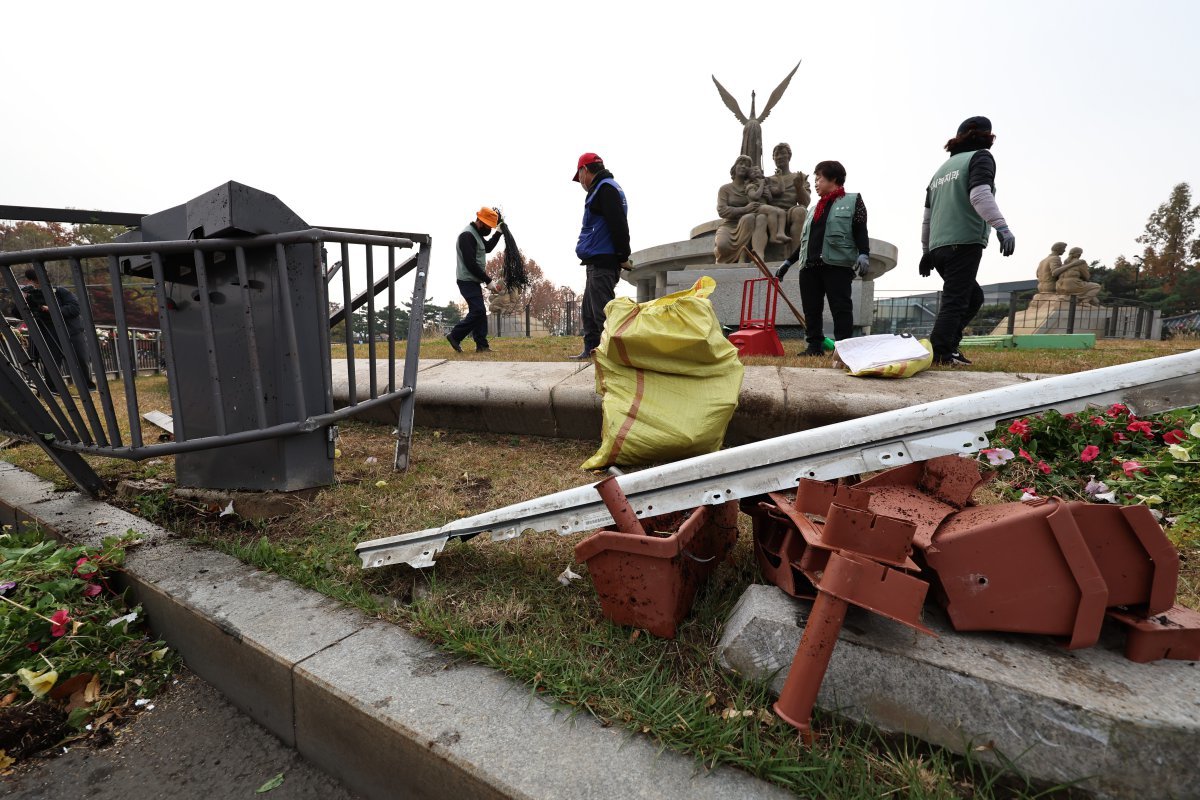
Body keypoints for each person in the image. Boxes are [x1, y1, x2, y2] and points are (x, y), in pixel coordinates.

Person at [919, 116, 1016, 366]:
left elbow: (927, 217)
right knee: (956, 299)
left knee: (972, 297)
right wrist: (1002, 227)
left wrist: (926, 251)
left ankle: (949, 345)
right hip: (963, 241)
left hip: (938, 246)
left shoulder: (940, 171)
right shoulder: (980, 157)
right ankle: (941, 351)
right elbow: (980, 194)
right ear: (986, 136)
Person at [774, 160, 870, 357]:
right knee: (811, 309)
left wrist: (864, 253)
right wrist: (788, 263)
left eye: (819, 178)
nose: (816, 183)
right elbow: (805, 241)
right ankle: (814, 346)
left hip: (836, 264)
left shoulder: (853, 201)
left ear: (833, 179)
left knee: (841, 307)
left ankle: (843, 349)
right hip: (809, 266)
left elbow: (860, 230)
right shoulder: (813, 209)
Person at [570, 152, 630, 360]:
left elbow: (618, 224)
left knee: (602, 312)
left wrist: (623, 254)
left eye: (580, 178)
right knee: (589, 310)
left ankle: (612, 354)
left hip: (604, 261)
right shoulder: (604, 189)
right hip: (597, 261)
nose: (581, 184)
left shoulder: (605, 189)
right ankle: (591, 350)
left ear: (584, 170)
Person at [16, 268, 95, 391]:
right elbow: (18, 313)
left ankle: (88, 386)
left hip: (71, 331)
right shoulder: (29, 295)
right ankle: (54, 388)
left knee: (81, 358)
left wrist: (53, 309)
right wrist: (23, 298)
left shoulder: (59, 291)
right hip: (48, 331)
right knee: (51, 361)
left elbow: (75, 308)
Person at [446, 207, 504, 353]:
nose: (489, 230)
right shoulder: (467, 236)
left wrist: (499, 232)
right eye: (488, 227)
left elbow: (488, 248)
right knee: (478, 310)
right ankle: (455, 336)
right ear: (480, 221)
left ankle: (482, 345)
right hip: (466, 280)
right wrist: (489, 281)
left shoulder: (476, 234)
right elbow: (471, 264)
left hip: (473, 280)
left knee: (479, 312)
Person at [745, 165, 790, 245]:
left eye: (756, 169)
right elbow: (755, 196)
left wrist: (779, 177)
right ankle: (773, 237)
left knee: (781, 212)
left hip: (764, 206)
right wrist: (761, 185)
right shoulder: (751, 186)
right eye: (752, 172)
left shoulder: (766, 186)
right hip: (756, 207)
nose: (755, 171)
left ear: (761, 172)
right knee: (772, 210)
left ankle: (780, 233)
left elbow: (780, 191)